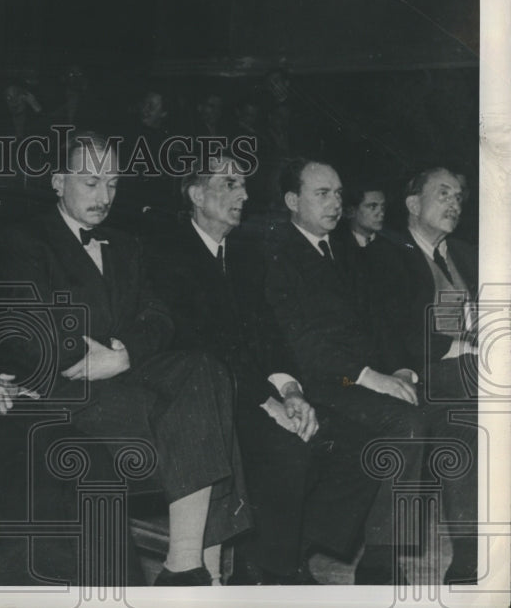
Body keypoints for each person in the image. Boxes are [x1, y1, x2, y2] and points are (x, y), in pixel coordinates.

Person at [0, 132, 251, 586]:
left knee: (206, 371)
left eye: (112, 183)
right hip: (69, 386)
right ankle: (200, 571)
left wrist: (125, 354)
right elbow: (32, 326)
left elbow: (158, 316)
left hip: (122, 374)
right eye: (91, 182)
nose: (104, 196)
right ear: (58, 181)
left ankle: (185, 563)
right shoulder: (25, 240)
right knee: (199, 413)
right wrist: (96, 354)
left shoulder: (125, 244)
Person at [147, 156, 379, 584]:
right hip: (196, 402)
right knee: (287, 448)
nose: (245, 194)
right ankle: (272, 572)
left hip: (252, 389)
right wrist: (265, 401)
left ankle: (285, 554)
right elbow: (200, 344)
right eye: (230, 183)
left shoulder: (243, 254)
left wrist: (290, 390)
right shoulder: (168, 251)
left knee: (350, 442)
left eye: (245, 184)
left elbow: (268, 333)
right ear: (197, 195)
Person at [263, 158, 429, 584]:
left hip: (351, 375)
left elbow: (378, 322)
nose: (336, 203)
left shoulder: (345, 251)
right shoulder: (276, 251)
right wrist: (369, 377)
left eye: (338, 194)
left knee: (408, 410)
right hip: (313, 379)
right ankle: (366, 558)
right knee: (402, 422)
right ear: (291, 200)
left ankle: (369, 556)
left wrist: (402, 369)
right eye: (322, 193)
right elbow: (297, 338)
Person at [379, 167, 479, 584]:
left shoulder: (465, 253)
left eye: (459, 196)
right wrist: (462, 348)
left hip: (474, 365)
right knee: (467, 407)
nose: (455, 203)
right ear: (413, 204)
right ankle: (470, 555)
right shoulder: (386, 254)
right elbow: (391, 331)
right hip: (421, 372)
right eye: (444, 194)